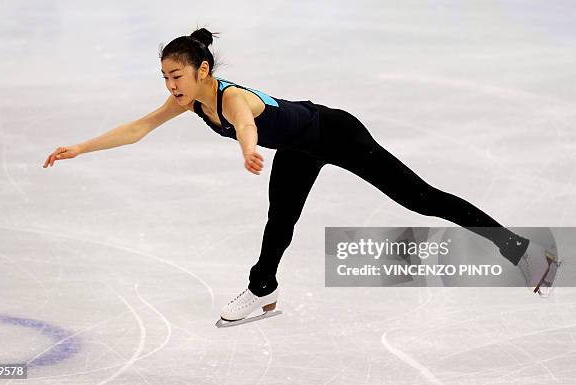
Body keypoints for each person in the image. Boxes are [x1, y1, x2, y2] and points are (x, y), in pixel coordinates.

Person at [43, 27, 560, 325]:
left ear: (202, 70)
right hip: (297, 146)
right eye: (164, 77)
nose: (169, 84)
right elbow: (139, 127)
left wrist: (248, 150)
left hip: (336, 132)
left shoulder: (227, 96)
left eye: (175, 75)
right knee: (280, 223)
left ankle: (524, 251)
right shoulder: (189, 102)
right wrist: (81, 148)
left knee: (421, 198)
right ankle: (261, 289)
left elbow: (246, 121)